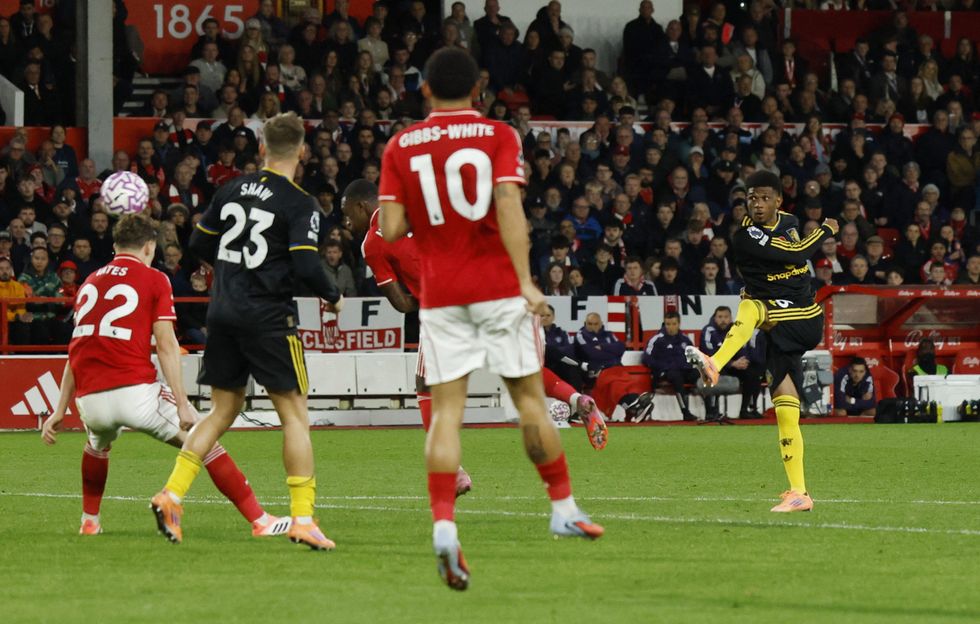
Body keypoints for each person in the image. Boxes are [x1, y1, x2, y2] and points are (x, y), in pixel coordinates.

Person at [378, 48, 603, 591]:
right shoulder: (499, 136)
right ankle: (563, 508)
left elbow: (390, 228)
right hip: (498, 290)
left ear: (425, 90)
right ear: (477, 90)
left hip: (441, 296)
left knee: (445, 415)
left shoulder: (401, 146)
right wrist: (526, 281)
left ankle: (444, 528)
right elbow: (508, 206)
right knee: (529, 402)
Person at [151, 113, 344, 551]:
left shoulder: (231, 189)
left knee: (222, 410)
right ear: (302, 152)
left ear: (261, 148)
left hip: (222, 312)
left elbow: (198, 244)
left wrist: (231, 272)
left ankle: (172, 494)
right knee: (294, 415)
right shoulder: (299, 203)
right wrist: (333, 295)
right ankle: (303, 519)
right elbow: (307, 264)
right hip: (268, 316)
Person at [40, 214, 288, 538]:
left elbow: (77, 350)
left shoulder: (89, 282)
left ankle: (90, 521)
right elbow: (167, 345)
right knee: (204, 438)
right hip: (136, 392)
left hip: (90, 399)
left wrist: (59, 409)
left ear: (115, 245)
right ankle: (260, 520)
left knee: (97, 445)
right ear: (149, 246)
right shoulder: (154, 278)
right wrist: (182, 402)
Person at [345, 179, 607, 459]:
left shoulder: (373, 242)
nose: (348, 223)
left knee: (425, 384)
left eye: (348, 215)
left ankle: (451, 467)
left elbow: (400, 304)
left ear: (361, 206)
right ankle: (578, 400)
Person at [685, 171, 839, 513]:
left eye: (765, 198)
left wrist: (820, 233)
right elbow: (797, 254)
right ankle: (799, 491)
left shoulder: (790, 222)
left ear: (778, 201)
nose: (756, 204)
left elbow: (795, 254)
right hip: (778, 327)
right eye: (752, 198)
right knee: (785, 407)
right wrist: (826, 229)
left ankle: (715, 362)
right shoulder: (746, 237)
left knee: (751, 306)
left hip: (804, 316)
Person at [700, 306, 766, 419]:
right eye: (720, 317)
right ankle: (711, 411)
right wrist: (731, 363)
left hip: (732, 366)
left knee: (752, 373)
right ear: (715, 318)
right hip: (715, 366)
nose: (723, 320)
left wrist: (742, 362)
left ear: (731, 318)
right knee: (710, 372)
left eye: (726, 317)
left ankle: (746, 409)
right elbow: (709, 355)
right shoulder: (709, 331)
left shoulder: (735, 330)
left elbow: (742, 348)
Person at [642, 311, 699, 422]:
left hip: (684, 370)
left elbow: (694, 358)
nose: (671, 327)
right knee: (676, 376)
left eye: (674, 324)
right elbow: (646, 358)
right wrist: (663, 367)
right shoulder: (657, 339)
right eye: (668, 324)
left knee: (702, 374)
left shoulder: (685, 339)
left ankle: (711, 411)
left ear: (679, 324)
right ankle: (685, 412)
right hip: (665, 373)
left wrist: (690, 366)